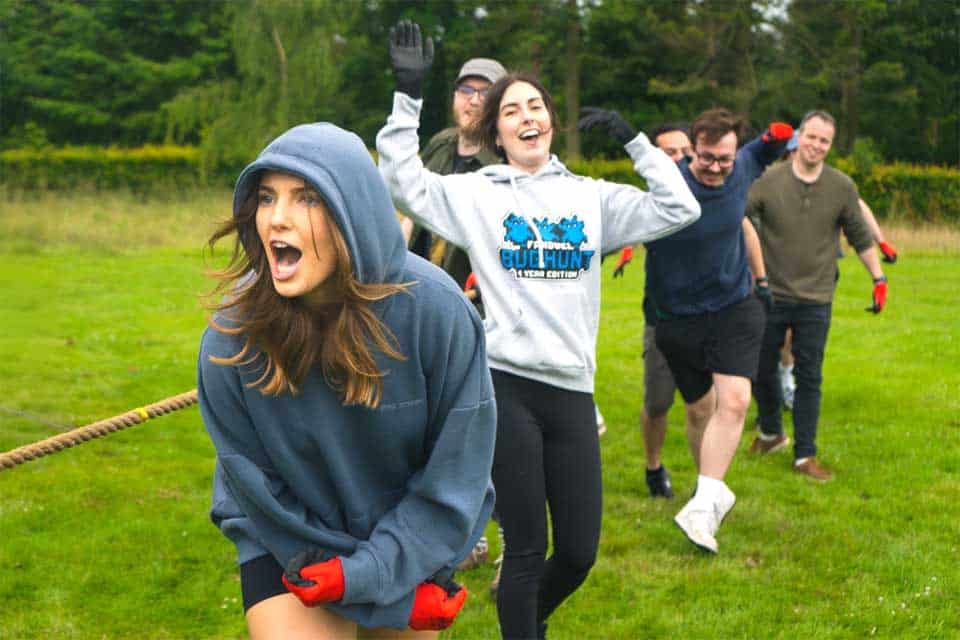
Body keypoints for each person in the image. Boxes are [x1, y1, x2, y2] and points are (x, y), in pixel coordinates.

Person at [377, 21, 700, 639]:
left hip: (573, 390)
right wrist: (408, 96)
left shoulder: (592, 199)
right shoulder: (478, 196)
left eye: (536, 106)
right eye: (511, 111)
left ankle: (528, 622)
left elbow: (679, 207)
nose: (527, 117)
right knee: (526, 550)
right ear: (496, 131)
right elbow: (403, 180)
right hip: (506, 388)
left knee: (578, 553)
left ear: (549, 120)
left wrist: (638, 142)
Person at [197, 121, 497, 639]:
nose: (278, 219)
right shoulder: (232, 336)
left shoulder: (437, 313)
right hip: (288, 536)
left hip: (408, 536)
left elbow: (456, 474)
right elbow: (255, 484)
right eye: (266, 198)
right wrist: (343, 577)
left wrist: (379, 574)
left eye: (307, 198)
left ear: (354, 209)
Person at [607, 107, 791, 553]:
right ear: (693, 150)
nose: (715, 167)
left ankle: (704, 501)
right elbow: (620, 224)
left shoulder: (744, 165)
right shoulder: (670, 184)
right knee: (699, 412)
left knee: (735, 399)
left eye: (723, 159)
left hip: (733, 306)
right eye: (706, 158)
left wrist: (784, 133)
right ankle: (707, 496)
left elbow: (772, 144)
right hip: (675, 320)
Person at [746, 110, 888, 481]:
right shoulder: (766, 182)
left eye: (824, 140)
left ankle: (804, 455)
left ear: (830, 146)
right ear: (798, 138)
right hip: (769, 293)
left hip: (816, 298)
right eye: (811, 137)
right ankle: (770, 432)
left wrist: (878, 277)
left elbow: (859, 235)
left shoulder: (841, 187)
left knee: (809, 376)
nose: (816, 145)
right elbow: (736, 220)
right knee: (761, 370)